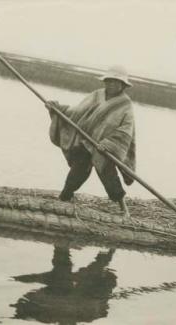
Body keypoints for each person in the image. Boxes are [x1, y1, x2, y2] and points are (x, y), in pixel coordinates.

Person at [45, 66, 136, 219]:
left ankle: (123, 208)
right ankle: (65, 197)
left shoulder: (125, 105)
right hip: (86, 142)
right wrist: (57, 108)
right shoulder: (96, 95)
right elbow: (78, 112)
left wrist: (108, 143)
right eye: (109, 81)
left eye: (116, 82)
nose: (111, 85)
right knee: (78, 170)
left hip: (105, 148)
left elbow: (126, 130)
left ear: (123, 85)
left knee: (109, 176)